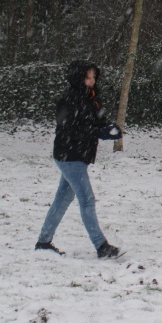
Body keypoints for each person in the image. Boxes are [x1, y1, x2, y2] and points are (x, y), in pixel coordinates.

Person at [36, 60, 123, 259]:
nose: (92, 81)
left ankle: (43, 242)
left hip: (78, 156)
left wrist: (109, 128)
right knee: (87, 199)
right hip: (69, 156)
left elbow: (95, 120)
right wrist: (98, 131)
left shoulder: (90, 97)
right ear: (78, 78)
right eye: (88, 77)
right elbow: (72, 128)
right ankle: (101, 246)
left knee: (62, 200)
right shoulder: (68, 99)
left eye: (93, 77)